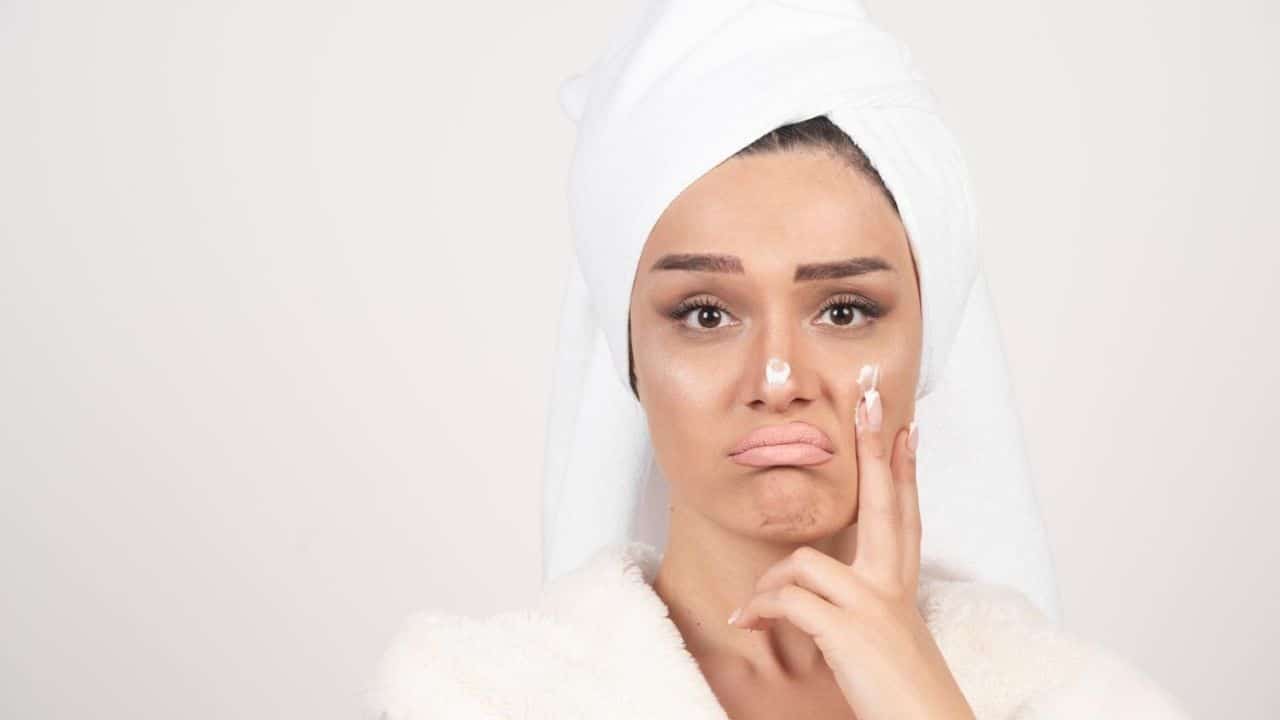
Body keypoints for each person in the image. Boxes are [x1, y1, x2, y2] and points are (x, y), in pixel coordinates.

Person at [366, 2, 1193, 718]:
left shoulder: (1069, 699)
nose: (778, 378)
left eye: (842, 310)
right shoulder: (478, 699)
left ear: (927, 346)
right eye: (706, 313)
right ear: (630, 356)